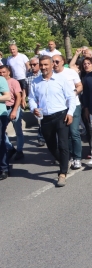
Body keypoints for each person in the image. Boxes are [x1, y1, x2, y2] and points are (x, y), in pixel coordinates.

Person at [28, 56, 75, 187]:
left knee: (63, 144)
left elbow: (71, 97)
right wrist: (33, 108)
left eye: (45, 65)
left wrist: (70, 113)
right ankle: (64, 161)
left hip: (61, 115)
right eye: (41, 65)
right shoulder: (36, 82)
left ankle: (62, 173)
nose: (43, 67)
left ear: (51, 65)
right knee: (51, 146)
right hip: (45, 118)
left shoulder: (60, 79)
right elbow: (31, 98)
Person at [51, 55, 83, 170]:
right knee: (66, 134)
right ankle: (67, 157)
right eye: (52, 61)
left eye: (56, 61)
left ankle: (77, 158)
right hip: (60, 109)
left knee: (74, 132)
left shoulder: (71, 72)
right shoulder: (51, 75)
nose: (54, 63)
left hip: (74, 105)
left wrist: (73, 93)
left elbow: (80, 86)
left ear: (62, 62)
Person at [0, 65, 24, 162]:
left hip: (13, 108)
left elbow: (18, 97)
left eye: (4, 72)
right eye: (0, 72)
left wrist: (14, 110)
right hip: (3, 109)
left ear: (8, 72)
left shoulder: (14, 82)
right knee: (2, 132)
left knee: (18, 131)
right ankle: (10, 148)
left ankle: (19, 150)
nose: (2, 74)